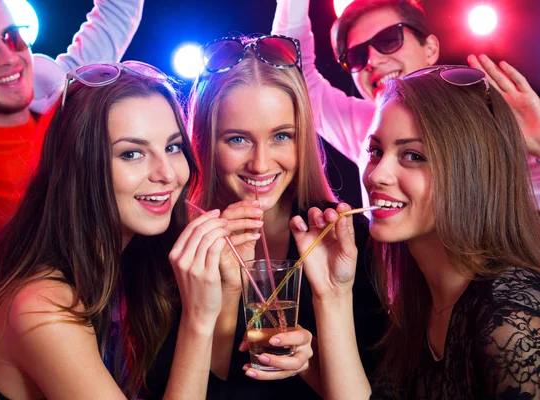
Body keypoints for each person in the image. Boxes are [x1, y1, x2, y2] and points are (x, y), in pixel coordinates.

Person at [0, 63, 247, 399]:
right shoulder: (42, 308)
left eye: (173, 147)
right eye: (132, 154)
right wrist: (198, 318)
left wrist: (228, 289)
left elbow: (213, 380)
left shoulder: (126, 269)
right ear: (80, 167)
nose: (168, 174)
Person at [290, 66, 540, 398]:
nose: (377, 175)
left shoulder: (510, 323)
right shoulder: (417, 299)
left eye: (413, 155)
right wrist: (333, 293)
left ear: (471, 171)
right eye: (376, 151)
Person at [187, 34, 387, 399]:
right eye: (237, 139)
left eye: (281, 136)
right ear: (205, 139)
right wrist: (228, 294)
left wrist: (307, 363)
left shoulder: (348, 240)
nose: (261, 164)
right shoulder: (181, 248)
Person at [0, 0, 144, 314]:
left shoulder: (65, 96)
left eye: (13, 38)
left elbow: (118, 11)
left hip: (96, 327)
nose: (9, 58)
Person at [271, 0, 540, 209]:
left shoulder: (485, 123)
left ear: (431, 49)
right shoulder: (365, 127)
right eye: (356, 55)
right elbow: (294, 70)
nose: (372, 60)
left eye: (389, 40)